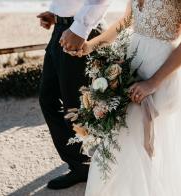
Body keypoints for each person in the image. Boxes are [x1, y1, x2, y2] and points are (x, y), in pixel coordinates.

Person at [67, 0, 181, 195]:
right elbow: (127, 20)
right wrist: (91, 45)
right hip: (132, 65)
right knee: (122, 142)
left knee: (136, 142)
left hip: (161, 73)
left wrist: (152, 83)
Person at [37, 0, 112, 190]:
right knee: (48, 98)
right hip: (62, 27)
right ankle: (80, 162)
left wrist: (79, 28)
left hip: (80, 31)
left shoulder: (80, 28)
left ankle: (83, 165)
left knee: (75, 106)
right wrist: (55, 13)